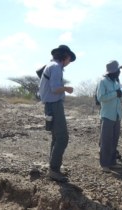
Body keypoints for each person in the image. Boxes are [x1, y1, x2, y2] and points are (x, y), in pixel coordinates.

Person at [38, 45, 76, 182]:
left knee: (56, 137)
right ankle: (54, 169)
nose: (69, 62)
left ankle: (53, 168)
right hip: (54, 105)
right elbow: (54, 89)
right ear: (65, 56)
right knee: (62, 138)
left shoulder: (51, 66)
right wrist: (67, 88)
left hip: (50, 106)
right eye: (69, 59)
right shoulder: (56, 67)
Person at [96, 60, 122, 172]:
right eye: (118, 70)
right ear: (113, 71)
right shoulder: (103, 82)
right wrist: (115, 93)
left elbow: (118, 96)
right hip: (107, 115)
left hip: (117, 115)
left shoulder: (116, 82)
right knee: (106, 140)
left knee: (114, 140)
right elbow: (101, 97)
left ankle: (112, 162)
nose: (119, 72)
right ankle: (104, 164)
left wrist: (120, 93)